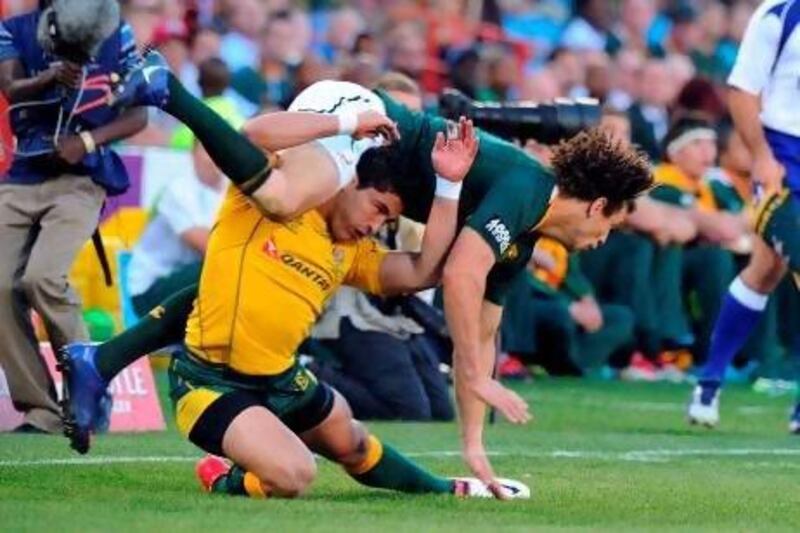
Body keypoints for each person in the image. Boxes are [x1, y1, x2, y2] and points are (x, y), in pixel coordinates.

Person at [62, 66, 652, 495]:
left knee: (240, 280)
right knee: (280, 197)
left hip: (366, 168)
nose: (602, 242)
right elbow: (462, 276)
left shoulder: (517, 240)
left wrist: (474, 445)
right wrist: (473, 371)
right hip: (362, 119)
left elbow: (457, 298)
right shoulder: (528, 188)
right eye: (613, 226)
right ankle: (169, 89)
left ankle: (101, 361)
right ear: (598, 205)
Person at [0, 0, 147, 434]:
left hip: (80, 179)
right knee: (0, 285)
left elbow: (138, 113)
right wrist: (47, 77)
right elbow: (9, 86)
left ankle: (90, 392)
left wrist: (86, 140)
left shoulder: (115, 33)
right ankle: (42, 410)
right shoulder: (15, 29)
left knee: (42, 278)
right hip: (23, 173)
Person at [687, 0, 800, 433]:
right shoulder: (779, 14)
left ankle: (709, 380)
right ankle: (712, 379)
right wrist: (760, 155)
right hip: (782, 157)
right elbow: (742, 90)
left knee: (766, 268)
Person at [126, 142, 226, 317]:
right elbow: (209, 247)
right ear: (193, 154)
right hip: (152, 289)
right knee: (223, 269)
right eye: (208, 151)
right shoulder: (178, 190)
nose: (215, 158)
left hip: (192, 279)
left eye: (222, 151)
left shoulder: (232, 192)